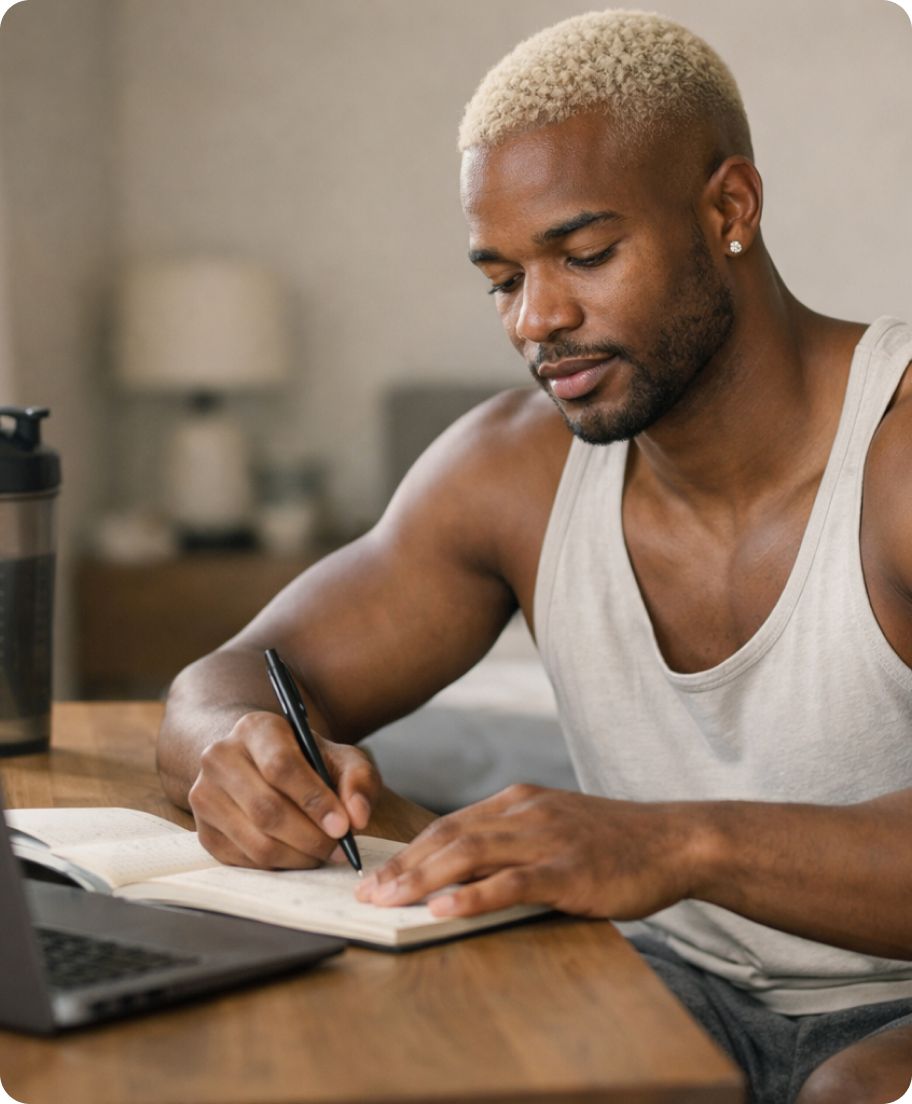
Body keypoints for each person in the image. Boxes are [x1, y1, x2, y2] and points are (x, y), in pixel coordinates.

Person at [157, 10, 912, 1102]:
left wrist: (677, 844)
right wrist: (233, 747)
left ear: (729, 209)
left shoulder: (893, 456)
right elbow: (230, 675)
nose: (538, 320)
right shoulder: (509, 473)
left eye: (587, 254)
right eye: (502, 277)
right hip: (664, 981)